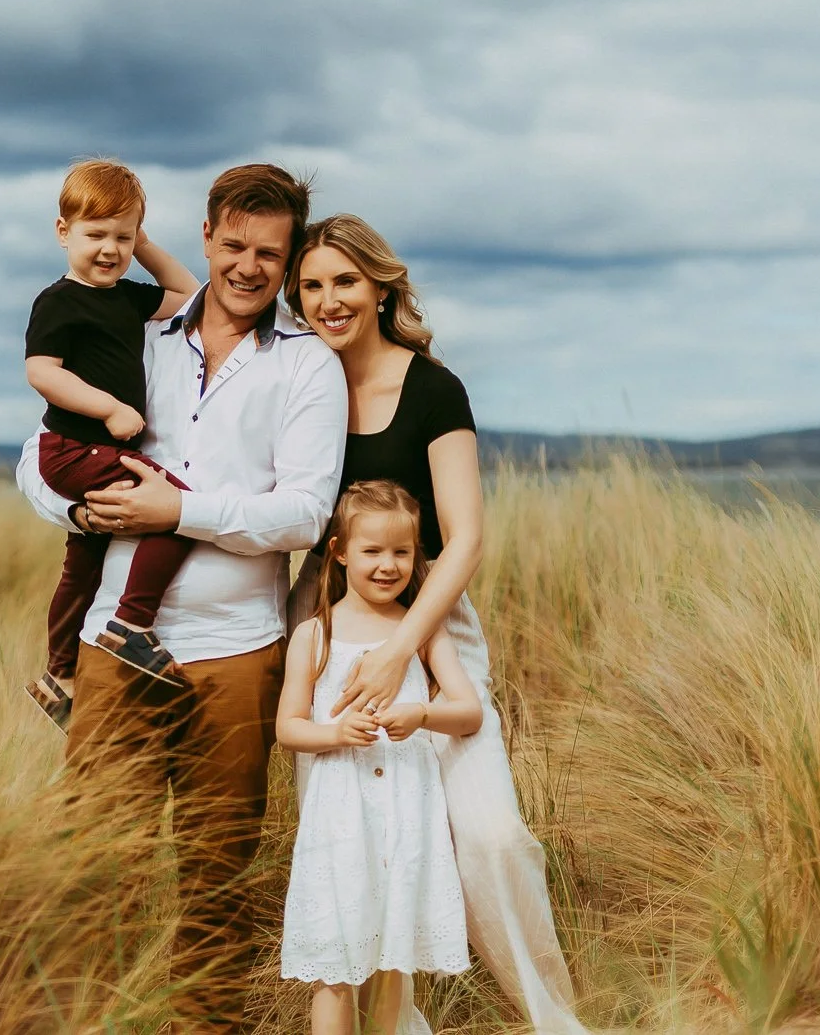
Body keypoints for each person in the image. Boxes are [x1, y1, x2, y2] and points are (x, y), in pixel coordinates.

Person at [13, 163, 347, 1032]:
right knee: (94, 863)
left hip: (237, 652)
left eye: (268, 254)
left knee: (215, 877)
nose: (247, 266)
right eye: (232, 245)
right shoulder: (141, 327)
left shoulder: (307, 365)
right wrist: (79, 504)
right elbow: (37, 455)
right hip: (113, 648)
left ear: (288, 259)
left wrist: (181, 510)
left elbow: (306, 509)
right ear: (205, 237)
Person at [288, 213, 591, 1034]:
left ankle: (552, 1017)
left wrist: (400, 650)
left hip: (432, 628)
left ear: (381, 284)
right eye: (310, 285)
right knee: (362, 858)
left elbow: (465, 540)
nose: (327, 300)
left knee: (490, 836)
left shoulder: (432, 387)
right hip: (328, 632)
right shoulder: (298, 379)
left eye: (345, 281)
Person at [279, 481, 481, 1035]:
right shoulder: (314, 634)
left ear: (418, 556)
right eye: (372, 551)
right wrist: (337, 731)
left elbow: (468, 711)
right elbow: (288, 727)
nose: (388, 565)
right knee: (336, 966)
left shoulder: (421, 633)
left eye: (402, 552)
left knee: (393, 962)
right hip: (340, 819)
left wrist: (421, 714)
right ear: (341, 551)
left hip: (404, 815)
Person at [22, 159, 201, 726]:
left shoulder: (127, 298)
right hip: (73, 450)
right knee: (175, 506)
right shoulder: (57, 301)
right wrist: (111, 409)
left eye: (122, 237)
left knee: (84, 561)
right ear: (63, 232)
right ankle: (131, 622)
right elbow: (43, 373)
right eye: (95, 234)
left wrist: (145, 241)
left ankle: (60, 671)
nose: (109, 249)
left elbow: (190, 294)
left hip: (102, 452)